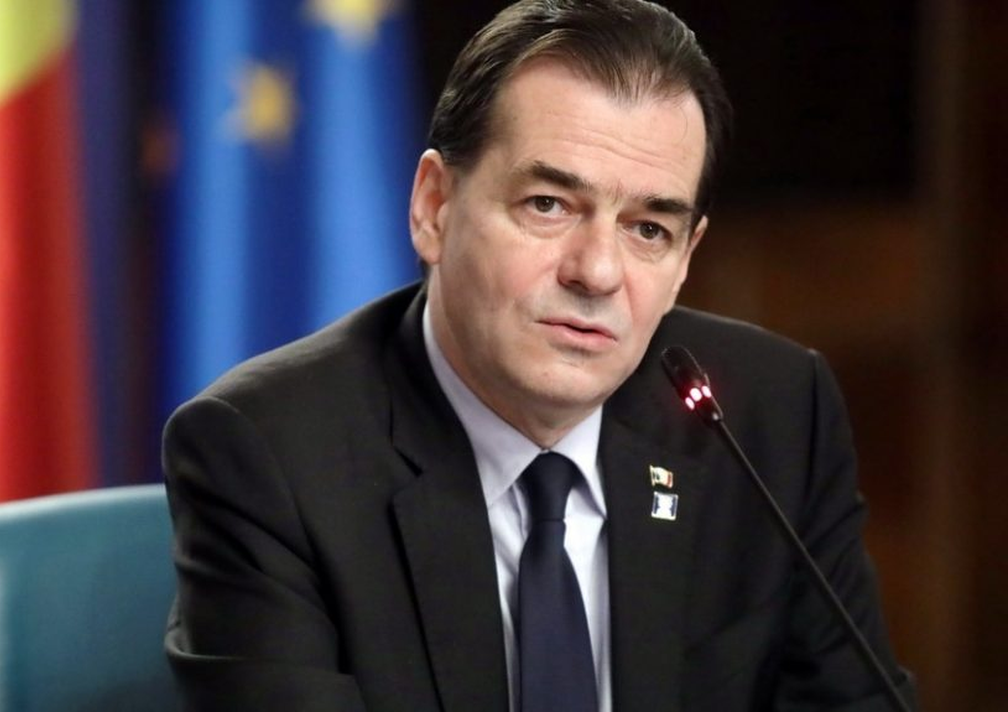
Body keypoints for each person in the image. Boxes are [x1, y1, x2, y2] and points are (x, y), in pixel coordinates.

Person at [161, 1, 917, 710]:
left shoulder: (768, 417)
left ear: (687, 258)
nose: (597, 272)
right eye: (548, 205)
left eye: (648, 229)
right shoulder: (271, 454)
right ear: (434, 207)